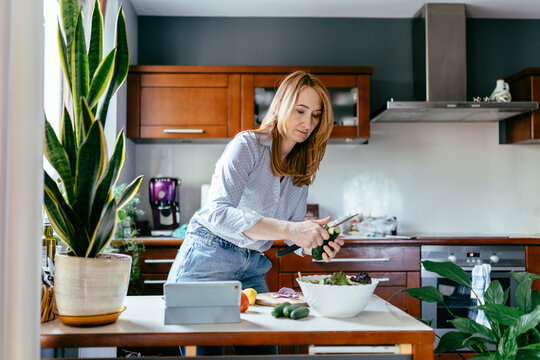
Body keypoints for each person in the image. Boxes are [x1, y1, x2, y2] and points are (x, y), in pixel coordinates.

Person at [168, 70, 345, 356]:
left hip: (252, 267)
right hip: (208, 260)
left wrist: (316, 244)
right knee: (207, 354)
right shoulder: (247, 145)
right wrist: (293, 230)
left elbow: (292, 234)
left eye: (315, 115)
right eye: (301, 111)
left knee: (265, 352)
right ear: (282, 105)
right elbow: (217, 213)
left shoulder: (300, 168)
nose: (308, 123)